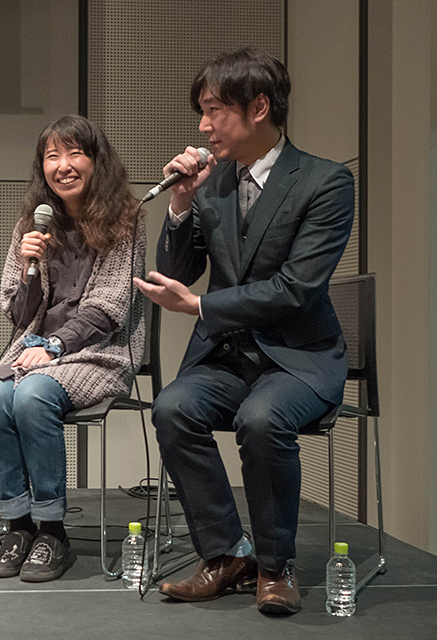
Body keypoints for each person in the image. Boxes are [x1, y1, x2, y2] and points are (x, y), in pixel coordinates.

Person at [133, 48, 354, 614]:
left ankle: (276, 567)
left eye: (214, 111)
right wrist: (181, 205)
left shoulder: (325, 182)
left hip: (297, 358)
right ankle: (227, 554)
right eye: (201, 112)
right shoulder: (211, 186)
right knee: (173, 408)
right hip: (232, 358)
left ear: (259, 107)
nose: (202, 126)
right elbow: (178, 274)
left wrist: (202, 307)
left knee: (262, 419)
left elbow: (296, 287)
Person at [0, 114, 145, 582]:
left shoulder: (124, 221)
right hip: (31, 349)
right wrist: (30, 265)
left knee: (32, 395)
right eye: (52, 156)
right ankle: (18, 524)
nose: (63, 165)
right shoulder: (31, 225)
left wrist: (54, 346)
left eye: (75, 153)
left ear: (96, 161)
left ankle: (52, 531)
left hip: (98, 352)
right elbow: (16, 310)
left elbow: (110, 306)